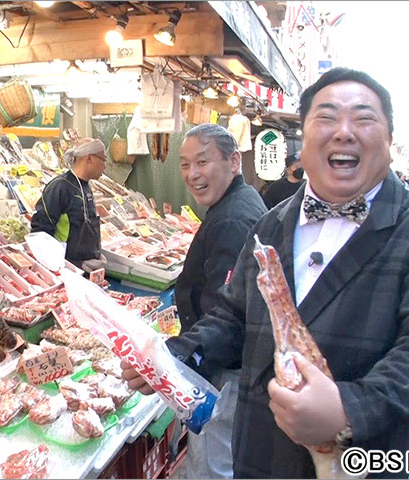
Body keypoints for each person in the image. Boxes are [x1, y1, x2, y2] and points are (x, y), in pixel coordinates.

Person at [122, 68, 409, 478]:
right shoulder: (270, 226)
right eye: (325, 118)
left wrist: (349, 408)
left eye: (363, 118)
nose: (343, 132)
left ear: (390, 142)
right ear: (303, 145)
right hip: (258, 456)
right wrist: (178, 356)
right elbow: (233, 316)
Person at [174, 124, 267, 478]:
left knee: (214, 464)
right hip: (233, 364)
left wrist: (180, 357)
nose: (192, 174)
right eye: (184, 164)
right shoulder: (238, 201)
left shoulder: (232, 218)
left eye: (202, 161)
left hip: (224, 371)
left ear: (233, 161)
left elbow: (225, 311)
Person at [30, 138, 106, 270]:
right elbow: (40, 232)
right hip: (65, 271)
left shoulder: (85, 186)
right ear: (89, 158)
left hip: (87, 270)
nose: (105, 166)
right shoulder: (60, 187)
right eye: (103, 159)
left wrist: (95, 253)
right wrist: (68, 265)